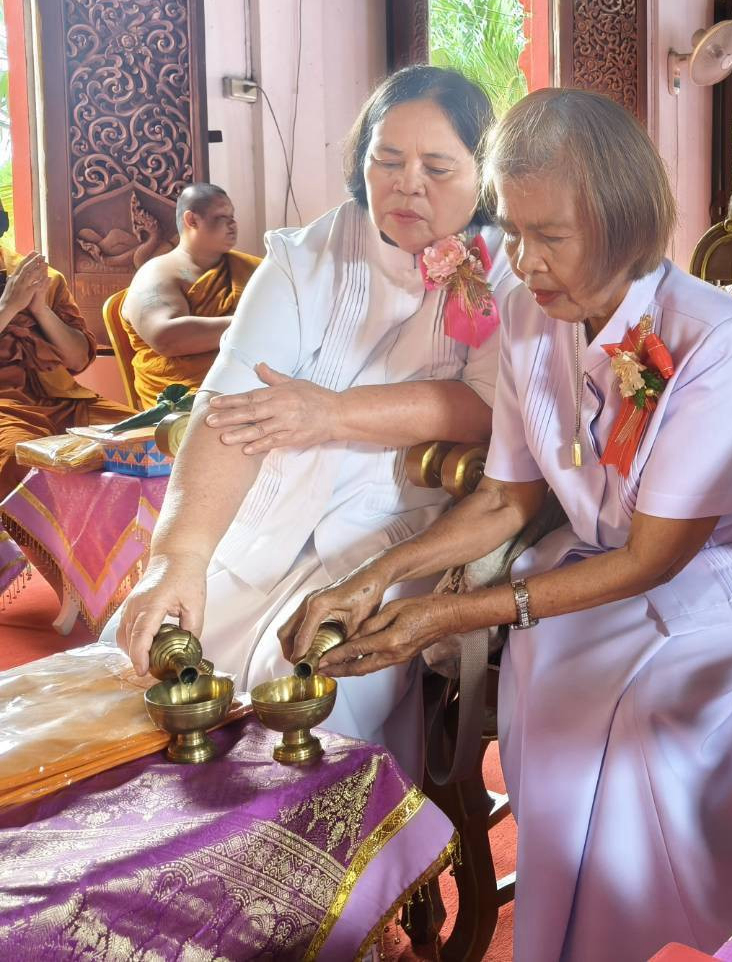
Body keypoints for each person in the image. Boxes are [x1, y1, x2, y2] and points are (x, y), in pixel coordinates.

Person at [285, 89, 732, 962]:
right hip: (607, 555)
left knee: (642, 707)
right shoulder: (523, 312)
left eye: (549, 237)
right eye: (513, 231)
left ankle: (676, 938)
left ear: (624, 226)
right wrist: (369, 581)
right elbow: (505, 500)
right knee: (544, 667)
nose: (523, 260)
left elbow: (656, 559)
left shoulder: (709, 338)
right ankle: (562, 941)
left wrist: (443, 615)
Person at [112, 65, 515, 765]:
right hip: (263, 512)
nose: (405, 183)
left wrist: (329, 415)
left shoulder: (505, 266)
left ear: (482, 174)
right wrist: (178, 558)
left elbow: (485, 409)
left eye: (437, 167)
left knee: (310, 704)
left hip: (394, 530)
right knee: (150, 669)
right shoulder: (307, 257)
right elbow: (227, 408)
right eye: (386, 159)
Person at [0, 212, 128, 495]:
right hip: (5, 407)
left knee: (150, 437)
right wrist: (8, 307)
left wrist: (40, 309)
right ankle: (35, 540)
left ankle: (133, 535)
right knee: (20, 458)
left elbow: (78, 359)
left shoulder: (38, 278)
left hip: (64, 400)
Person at [120, 183, 261, 404]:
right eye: (221, 217)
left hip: (252, 385)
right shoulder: (157, 273)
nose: (232, 225)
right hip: (188, 399)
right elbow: (167, 338)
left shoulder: (252, 268)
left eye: (232, 217)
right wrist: (256, 325)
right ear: (192, 220)